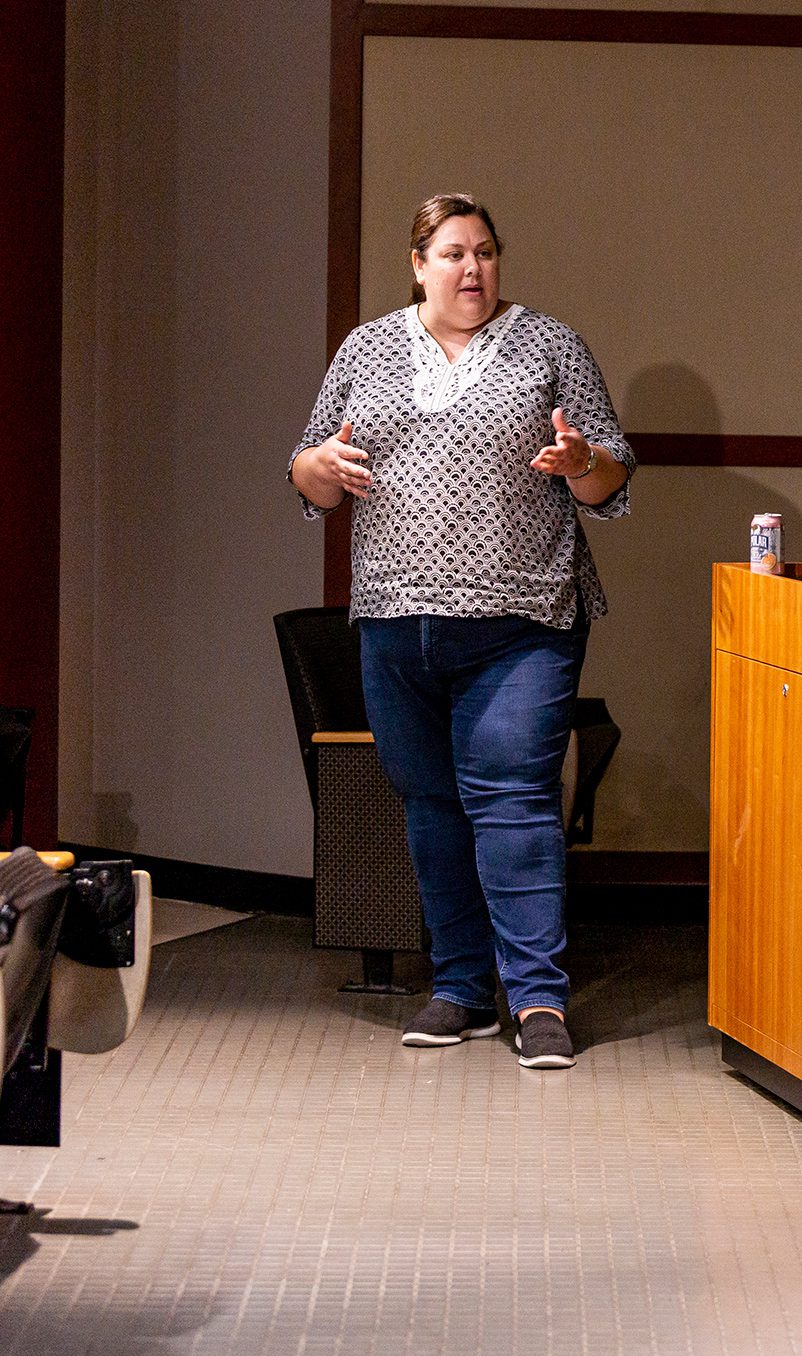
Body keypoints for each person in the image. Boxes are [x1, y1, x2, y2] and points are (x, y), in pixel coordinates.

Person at [289, 192, 634, 1070]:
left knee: (513, 802)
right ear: (418, 265)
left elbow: (610, 479)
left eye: (484, 251)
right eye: (452, 253)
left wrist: (580, 461)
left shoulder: (551, 345)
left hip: (520, 619)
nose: (471, 268)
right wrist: (319, 466)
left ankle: (539, 1000)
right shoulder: (366, 348)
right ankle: (459, 988)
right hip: (396, 620)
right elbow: (308, 474)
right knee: (431, 807)